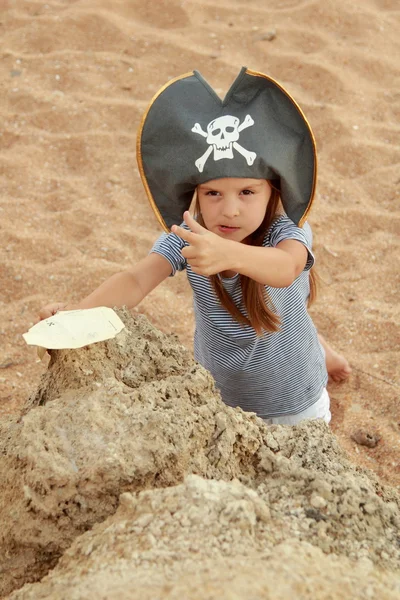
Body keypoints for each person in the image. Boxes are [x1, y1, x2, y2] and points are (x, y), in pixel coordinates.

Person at [38, 67, 351, 425]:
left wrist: (227, 253)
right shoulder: (190, 235)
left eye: (247, 192)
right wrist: (76, 313)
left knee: (284, 311)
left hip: (296, 400)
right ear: (195, 196)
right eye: (213, 193)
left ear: (273, 192)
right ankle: (321, 347)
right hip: (222, 399)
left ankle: (321, 353)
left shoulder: (285, 230)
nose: (229, 209)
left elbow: (287, 269)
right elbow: (137, 279)